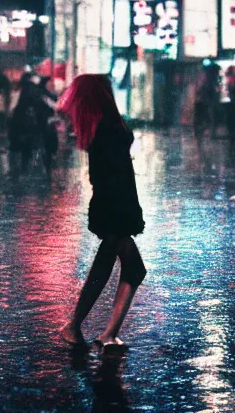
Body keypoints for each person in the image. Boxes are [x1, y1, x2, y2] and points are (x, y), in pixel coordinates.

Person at [57, 74, 147, 355]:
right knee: (131, 268)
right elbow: (109, 178)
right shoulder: (106, 127)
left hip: (114, 208)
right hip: (115, 210)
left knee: (107, 267)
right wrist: (122, 214)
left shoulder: (102, 125)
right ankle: (94, 331)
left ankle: (96, 332)